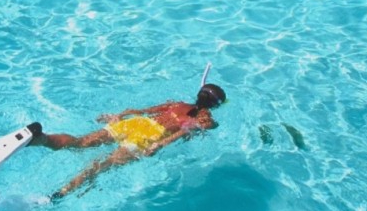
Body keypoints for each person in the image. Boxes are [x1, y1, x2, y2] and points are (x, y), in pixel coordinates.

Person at [27, 82, 227, 200]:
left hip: (137, 123)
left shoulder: (176, 104)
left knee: (81, 142)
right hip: (149, 136)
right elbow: (186, 129)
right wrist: (160, 144)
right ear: (215, 105)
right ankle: (59, 195)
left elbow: (141, 111)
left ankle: (42, 139)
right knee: (101, 165)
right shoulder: (204, 118)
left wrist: (119, 115)